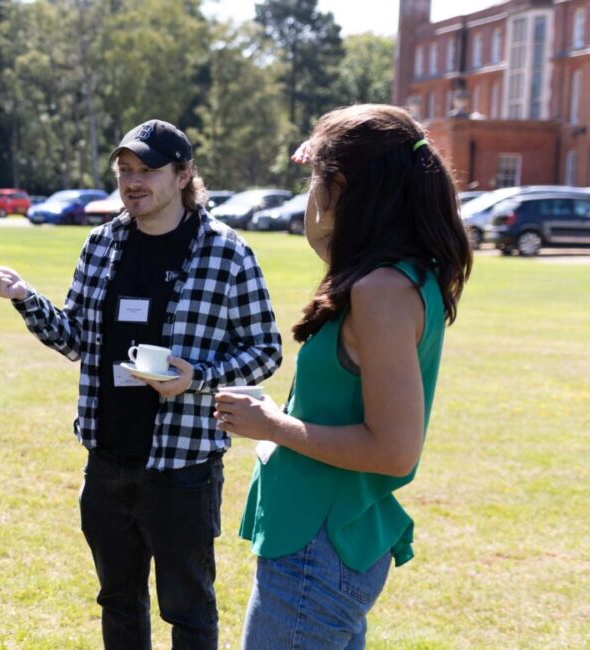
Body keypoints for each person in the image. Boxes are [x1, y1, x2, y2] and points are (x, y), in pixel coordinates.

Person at [0, 119, 283, 649]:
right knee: (118, 602)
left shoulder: (225, 252)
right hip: (108, 461)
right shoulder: (102, 243)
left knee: (188, 611)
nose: (133, 182)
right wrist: (24, 296)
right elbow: (76, 339)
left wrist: (197, 378)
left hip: (182, 467)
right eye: (125, 171)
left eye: (148, 171)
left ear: (184, 175)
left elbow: (265, 350)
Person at [219, 104, 473, 649]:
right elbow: (323, 238)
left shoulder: (380, 291)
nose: (311, 193)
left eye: (318, 179)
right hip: (324, 539)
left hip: (320, 547)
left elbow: (394, 451)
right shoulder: (391, 273)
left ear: (345, 185)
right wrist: (332, 165)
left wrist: (272, 424)